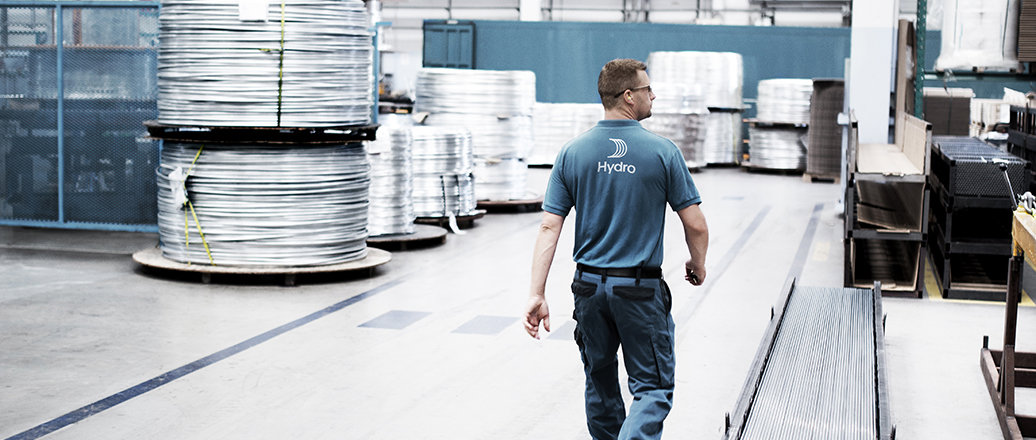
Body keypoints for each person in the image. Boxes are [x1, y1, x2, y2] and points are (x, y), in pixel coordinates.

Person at [523, 58, 709, 440]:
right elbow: (695, 224)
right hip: (638, 291)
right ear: (628, 96)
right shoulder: (662, 152)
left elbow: (548, 226)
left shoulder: (573, 152)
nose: (652, 95)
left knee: (601, 382)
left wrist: (537, 293)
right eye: (647, 90)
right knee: (652, 389)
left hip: (588, 290)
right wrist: (697, 262)